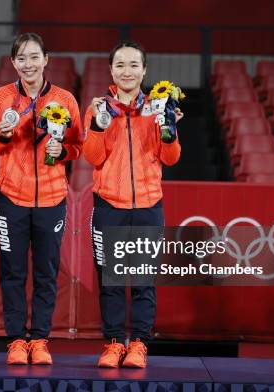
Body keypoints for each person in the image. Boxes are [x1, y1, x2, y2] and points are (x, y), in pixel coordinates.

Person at [0, 33, 83, 365]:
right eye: (21, 58)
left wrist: (63, 150)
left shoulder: (65, 99)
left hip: (52, 198)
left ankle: (39, 339)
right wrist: (1, 135)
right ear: (13, 63)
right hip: (10, 196)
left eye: (34, 57)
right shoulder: (0, 97)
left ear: (46, 59)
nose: (28, 64)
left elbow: (79, 146)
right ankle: (15, 340)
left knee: (45, 272)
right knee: (11, 272)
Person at [82, 41, 183, 368]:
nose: (127, 71)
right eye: (120, 65)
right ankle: (113, 343)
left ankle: (139, 344)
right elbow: (93, 158)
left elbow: (170, 157)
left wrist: (169, 130)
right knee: (110, 281)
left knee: (142, 280)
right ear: (111, 70)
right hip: (109, 205)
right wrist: (98, 127)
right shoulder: (99, 108)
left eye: (133, 65)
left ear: (144, 70)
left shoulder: (158, 106)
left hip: (147, 206)